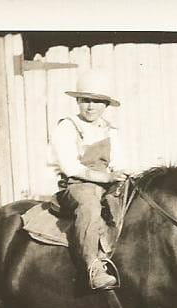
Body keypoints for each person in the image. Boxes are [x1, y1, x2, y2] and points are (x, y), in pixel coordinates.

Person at [51, 70, 129, 290]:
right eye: (85, 100)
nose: (91, 106)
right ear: (77, 101)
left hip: (106, 183)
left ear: (106, 105)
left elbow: (119, 162)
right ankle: (93, 267)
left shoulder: (109, 130)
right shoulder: (67, 126)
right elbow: (71, 167)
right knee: (90, 206)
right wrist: (106, 177)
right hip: (78, 185)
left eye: (97, 102)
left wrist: (121, 174)